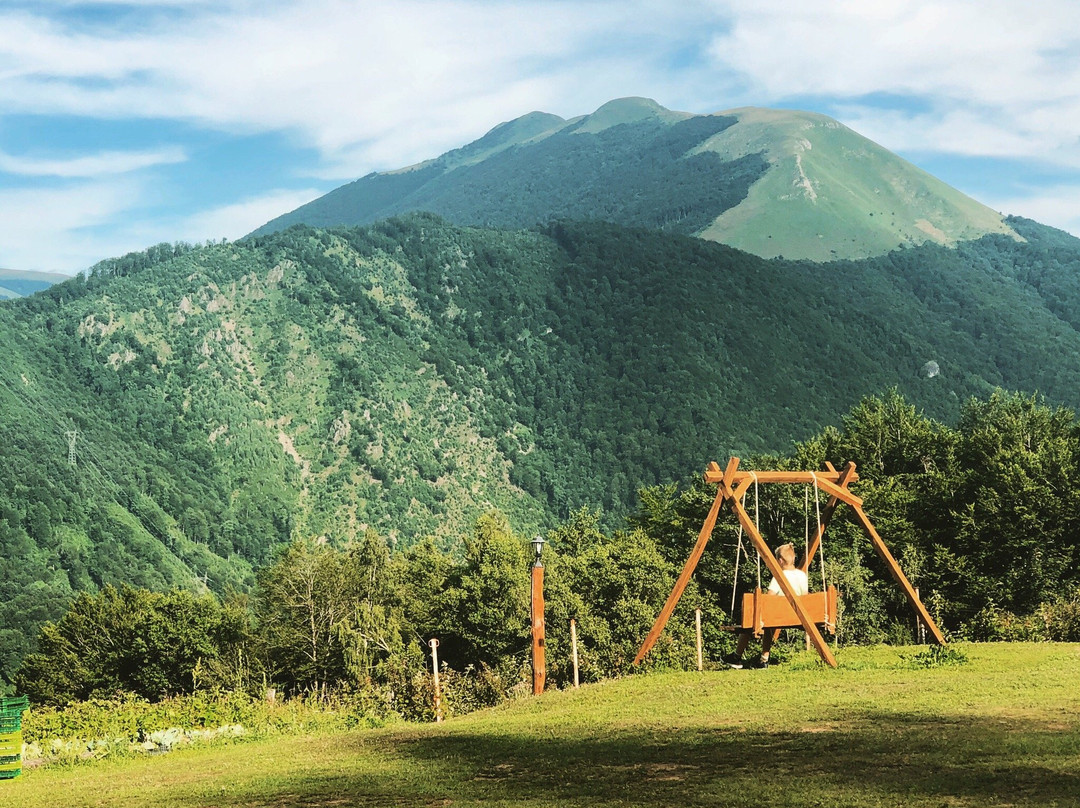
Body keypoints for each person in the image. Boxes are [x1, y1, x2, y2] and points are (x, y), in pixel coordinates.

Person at [722, 542, 808, 669]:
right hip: (799, 616)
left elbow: (769, 598)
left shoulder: (779, 577)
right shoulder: (802, 575)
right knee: (769, 621)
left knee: (754, 618)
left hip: (779, 616)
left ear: (779, 560)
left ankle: (736, 657)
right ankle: (763, 659)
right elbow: (805, 597)